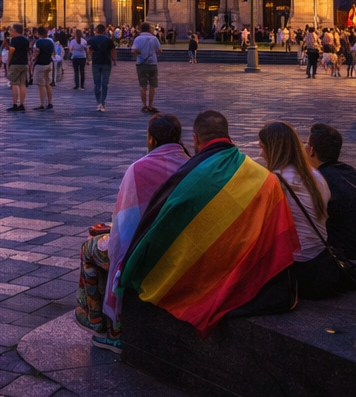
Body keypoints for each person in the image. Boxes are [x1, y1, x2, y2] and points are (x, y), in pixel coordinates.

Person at [116, 110, 300, 334]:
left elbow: (161, 228)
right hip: (254, 271)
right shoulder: (266, 179)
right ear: (228, 135)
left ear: (195, 139)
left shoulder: (191, 178)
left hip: (206, 269)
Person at [77, 114, 188, 350]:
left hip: (144, 253)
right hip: (180, 249)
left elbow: (124, 231)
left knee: (90, 248)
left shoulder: (139, 169)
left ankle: (104, 324)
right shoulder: (191, 164)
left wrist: (107, 234)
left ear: (151, 139)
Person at [259, 121, 337, 299]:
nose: (260, 153)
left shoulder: (276, 180)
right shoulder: (315, 175)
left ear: (272, 149)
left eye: (262, 147)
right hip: (319, 256)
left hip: (299, 264)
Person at [305, 124, 356, 272]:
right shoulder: (350, 170)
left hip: (350, 251)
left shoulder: (319, 180)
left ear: (312, 150)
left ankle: (350, 269)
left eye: (307, 143)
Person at [132, 23, 161, 114]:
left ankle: (144, 106)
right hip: (152, 64)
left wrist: (138, 55)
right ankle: (151, 105)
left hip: (141, 64)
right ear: (149, 29)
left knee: (143, 87)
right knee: (152, 86)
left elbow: (133, 50)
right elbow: (159, 51)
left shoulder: (137, 38)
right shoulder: (154, 38)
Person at [87, 24, 116, 112]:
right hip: (106, 63)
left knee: (97, 84)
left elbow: (89, 51)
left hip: (96, 63)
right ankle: (102, 102)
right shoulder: (109, 40)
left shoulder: (91, 40)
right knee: (105, 83)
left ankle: (98, 102)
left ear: (96, 31)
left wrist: (88, 60)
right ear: (104, 31)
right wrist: (114, 60)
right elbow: (113, 51)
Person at [6, 24, 32, 112]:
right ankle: (22, 104)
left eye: (11, 30)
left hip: (15, 63)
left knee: (14, 83)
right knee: (22, 84)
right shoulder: (26, 39)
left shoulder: (14, 40)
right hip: (24, 63)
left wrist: (9, 61)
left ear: (16, 31)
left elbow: (12, 50)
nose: (10, 31)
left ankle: (15, 104)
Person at [33, 27, 56, 110]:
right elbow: (53, 52)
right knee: (48, 84)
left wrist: (33, 58)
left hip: (40, 64)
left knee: (41, 85)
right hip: (49, 63)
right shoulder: (51, 41)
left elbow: (36, 52)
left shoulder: (38, 42)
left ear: (39, 34)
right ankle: (50, 103)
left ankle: (42, 104)